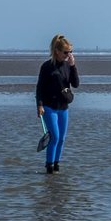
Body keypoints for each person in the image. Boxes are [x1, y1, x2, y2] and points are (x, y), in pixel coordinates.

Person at [35, 34, 79, 174]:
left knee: (62, 138)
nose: (68, 55)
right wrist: (39, 105)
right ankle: (49, 166)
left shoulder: (68, 65)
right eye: (66, 52)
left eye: (70, 52)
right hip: (49, 107)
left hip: (63, 107)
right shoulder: (47, 67)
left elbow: (76, 84)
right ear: (57, 51)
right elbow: (40, 87)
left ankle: (56, 165)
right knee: (55, 136)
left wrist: (73, 67)